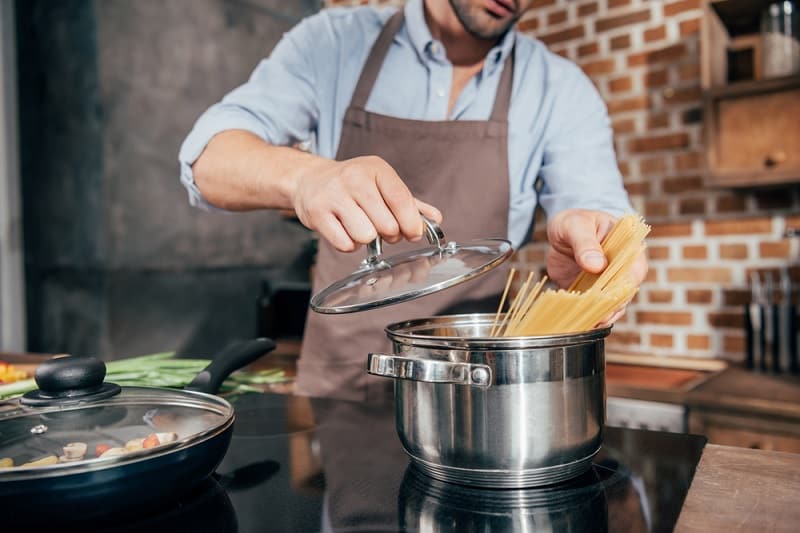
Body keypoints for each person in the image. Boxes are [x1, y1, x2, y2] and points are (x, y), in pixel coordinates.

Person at [179, 0, 648, 401]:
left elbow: (599, 208)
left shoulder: (559, 88)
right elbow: (208, 160)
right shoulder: (334, 44)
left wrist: (599, 249)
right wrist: (306, 178)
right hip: (343, 386)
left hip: (479, 389)